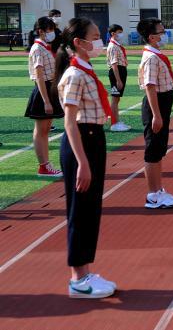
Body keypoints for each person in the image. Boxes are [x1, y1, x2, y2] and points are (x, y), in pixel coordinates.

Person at [54, 17, 116, 298]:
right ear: (78, 42)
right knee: (80, 210)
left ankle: (85, 270)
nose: (99, 41)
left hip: (93, 138)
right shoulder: (74, 75)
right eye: (95, 36)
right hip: (81, 141)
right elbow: (69, 122)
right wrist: (82, 162)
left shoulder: (86, 70)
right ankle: (77, 279)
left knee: (91, 209)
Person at [137, 18, 173, 208]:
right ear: (152, 37)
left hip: (162, 104)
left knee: (159, 150)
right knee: (153, 151)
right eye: (161, 32)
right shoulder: (150, 58)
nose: (164, 35)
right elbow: (150, 86)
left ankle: (159, 190)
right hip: (156, 105)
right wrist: (156, 114)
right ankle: (152, 195)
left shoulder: (156, 54)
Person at [25, 16, 64, 177]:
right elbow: (39, 76)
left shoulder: (45, 47)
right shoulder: (37, 49)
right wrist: (46, 101)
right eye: (50, 30)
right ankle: (44, 166)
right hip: (44, 90)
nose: (52, 32)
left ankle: (46, 164)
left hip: (50, 88)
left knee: (46, 129)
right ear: (41, 31)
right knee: (41, 130)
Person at [106, 24, 130, 132]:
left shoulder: (117, 45)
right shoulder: (113, 47)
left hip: (121, 70)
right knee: (115, 98)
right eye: (119, 32)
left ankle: (117, 121)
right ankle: (114, 123)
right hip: (117, 72)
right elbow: (114, 64)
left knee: (117, 98)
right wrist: (118, 80)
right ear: (113, 33)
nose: (121, 34)